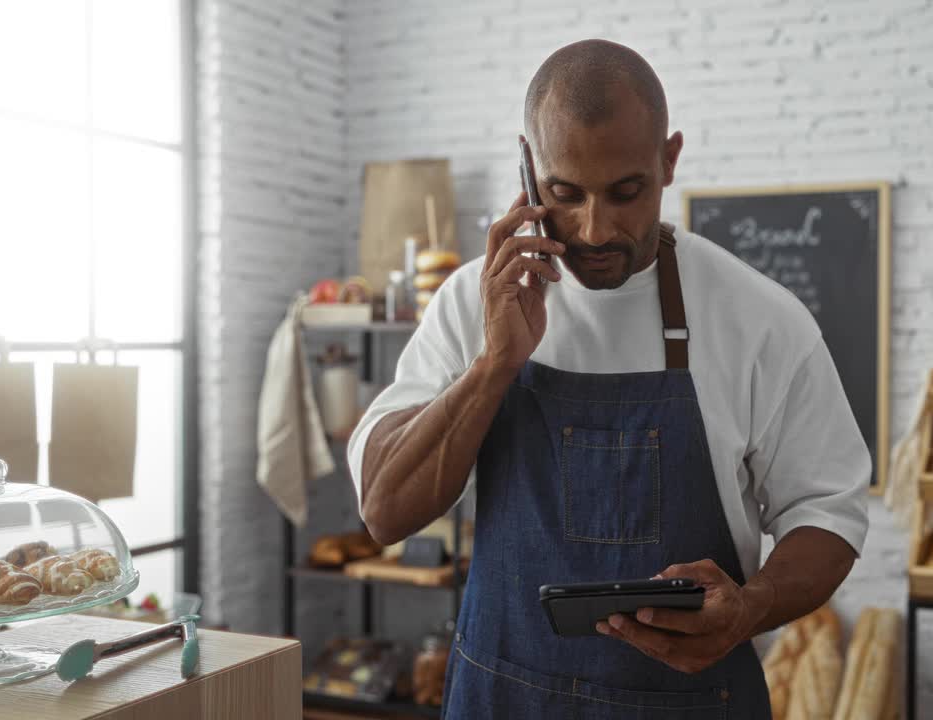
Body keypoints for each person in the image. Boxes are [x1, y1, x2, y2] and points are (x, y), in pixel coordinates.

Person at [348, 38, 870, 718]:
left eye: (627, 192)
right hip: (504, 699)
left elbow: (829, 513)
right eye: (566, 194)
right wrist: (495, 363)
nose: (596, 229)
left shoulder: (760, 319)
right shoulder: (470, 303)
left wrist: (751, 606)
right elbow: (386, 510)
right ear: (529, 169)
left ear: (669, 160)